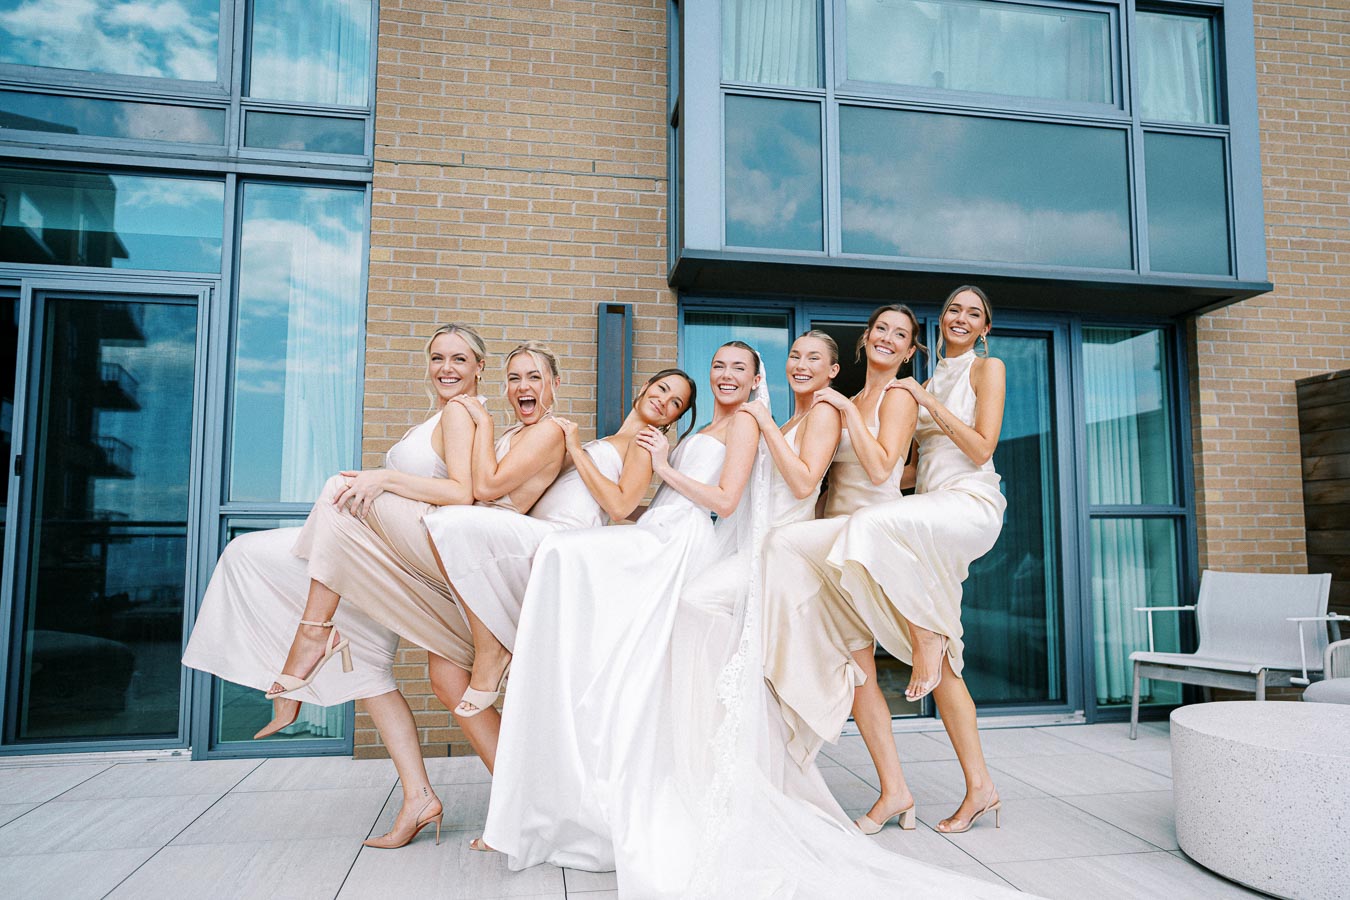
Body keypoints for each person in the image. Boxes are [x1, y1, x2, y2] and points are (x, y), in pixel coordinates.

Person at [183, 323, 491, 849]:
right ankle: (419, 798)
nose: (447, 369)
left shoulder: (462, 412)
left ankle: (309, 640)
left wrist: (382, 477)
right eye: (438, 357)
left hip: (410, 557)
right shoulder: (444, 415)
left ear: (479, 367)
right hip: (390, 552)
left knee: (337, 491)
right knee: (250, 557)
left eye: (460, 360)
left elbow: (461, 492)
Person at [479, 341, 762, 875]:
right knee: (589, 605)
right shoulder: (698, 433)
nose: (726, 375)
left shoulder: (744, 423)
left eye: (738, 369)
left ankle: (503, 652)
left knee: (562, 552)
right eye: (718, 365)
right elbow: (641, 502)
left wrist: (661, 467)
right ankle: (569, 754)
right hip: (658, 527)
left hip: (681, 541)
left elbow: (723, 502)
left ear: (753, 381)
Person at [828, 285, 1008, 834]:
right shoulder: (921, 383)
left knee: (870, 524)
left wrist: (927, 403)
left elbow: (980, 448)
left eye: (973, 314)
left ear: (984, 328)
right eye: (954, 309)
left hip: (969, 503)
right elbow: (909, 469)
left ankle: (923, 640)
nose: (961, 318)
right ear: (942, 320)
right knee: (950, 661)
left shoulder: (984, 370)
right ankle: (982, 788)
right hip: (929, 513)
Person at [422, 366, 698, 723]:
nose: (664, 401)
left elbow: (619, 505)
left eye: (675, 402)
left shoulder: (644, 444)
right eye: (661, 389)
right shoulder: (612, 439)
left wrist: (575, 449)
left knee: (450, 523)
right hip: (539, 529)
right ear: (645, 387)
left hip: (564, 539)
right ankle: (496, 642)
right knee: (450, 527)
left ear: (675, 417)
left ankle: (493, 648)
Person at [760, 305, 921, 821]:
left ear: (911, 349)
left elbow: (881, 471)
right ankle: (896, 789)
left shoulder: (893, 396)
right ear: (866, 339)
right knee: (860, 670)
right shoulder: (848, 399)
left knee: (780, 552)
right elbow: (831, 487)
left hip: (870, 539)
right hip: (837, 540)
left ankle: (926, 638)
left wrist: (850, 412)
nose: (888, 339)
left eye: (901, 335)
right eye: (881, 330)